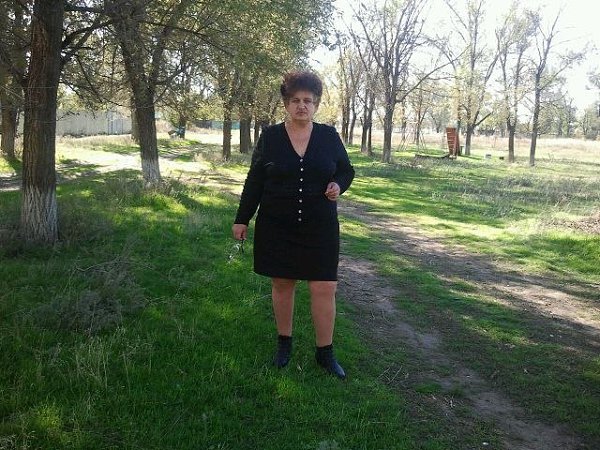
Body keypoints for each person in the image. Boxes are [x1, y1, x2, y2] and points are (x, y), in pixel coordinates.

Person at [232, 71, 355, 379]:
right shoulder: (270, 137)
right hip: (277, 225)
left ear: (316, 104)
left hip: (320, 226)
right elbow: (255, 180)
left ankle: (325, 353)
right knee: (282, 284)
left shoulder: (329, 136)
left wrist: (338, 185)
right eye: (296, 100)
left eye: (308, 101)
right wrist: (242, 218)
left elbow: (346, 170)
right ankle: (284, 344)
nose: (302, 106)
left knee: (324, 286)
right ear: (286, 104)